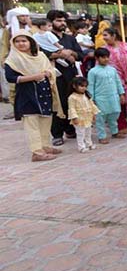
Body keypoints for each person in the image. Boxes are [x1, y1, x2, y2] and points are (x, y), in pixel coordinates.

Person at [3, 32, 64, 161]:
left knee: (45, 120)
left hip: (44, 92)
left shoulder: (41, 56)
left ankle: (46, 146)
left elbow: (50, 69)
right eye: (17, 41)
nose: (21, 43)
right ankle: (37, 152)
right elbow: (10, 78)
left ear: (31, 42)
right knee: (32, 124)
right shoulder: (13, 59)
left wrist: (48, 72)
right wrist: (33, 77)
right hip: (27, 95)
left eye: (24, 41)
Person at [45, 10, 83, 145]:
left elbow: (80, 55)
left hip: (70, 75)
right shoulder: (45, 37)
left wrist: (71, 53)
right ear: (51, 22)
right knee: (58, 104)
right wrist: (59, 55)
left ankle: (70, 129)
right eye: (58, 21)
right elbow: (40, 54)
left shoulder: (70, 39)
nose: (62, 23)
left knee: (71, 102)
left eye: (63, 21)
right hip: (55, 76)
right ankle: (57, 134)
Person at [87, 47, 126, 144]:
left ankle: (115, 132)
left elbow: (118, 82)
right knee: (100, 118)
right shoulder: (93, 72)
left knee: (114, 114)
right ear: (97, 58)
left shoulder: (112, 70)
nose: (106, 59)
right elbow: (90, 86)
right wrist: (91, 99)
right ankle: (102, 136)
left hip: (113, 97)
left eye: (107, 57)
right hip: (100, 98)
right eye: (103, 57)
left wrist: (121, 94)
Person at [68, 76, 100, 153]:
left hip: (87, 117)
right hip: (79, 118)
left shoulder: (86, 95)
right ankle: (81, 146)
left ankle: (89, 143)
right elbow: (71, 108)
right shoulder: (72, 97)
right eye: (81, 86)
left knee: (88, 131)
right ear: (74, 86)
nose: (84, 88)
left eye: (85, 86)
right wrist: (74, 117)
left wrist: (93, 114)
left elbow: (91, 105)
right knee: (80, 133)